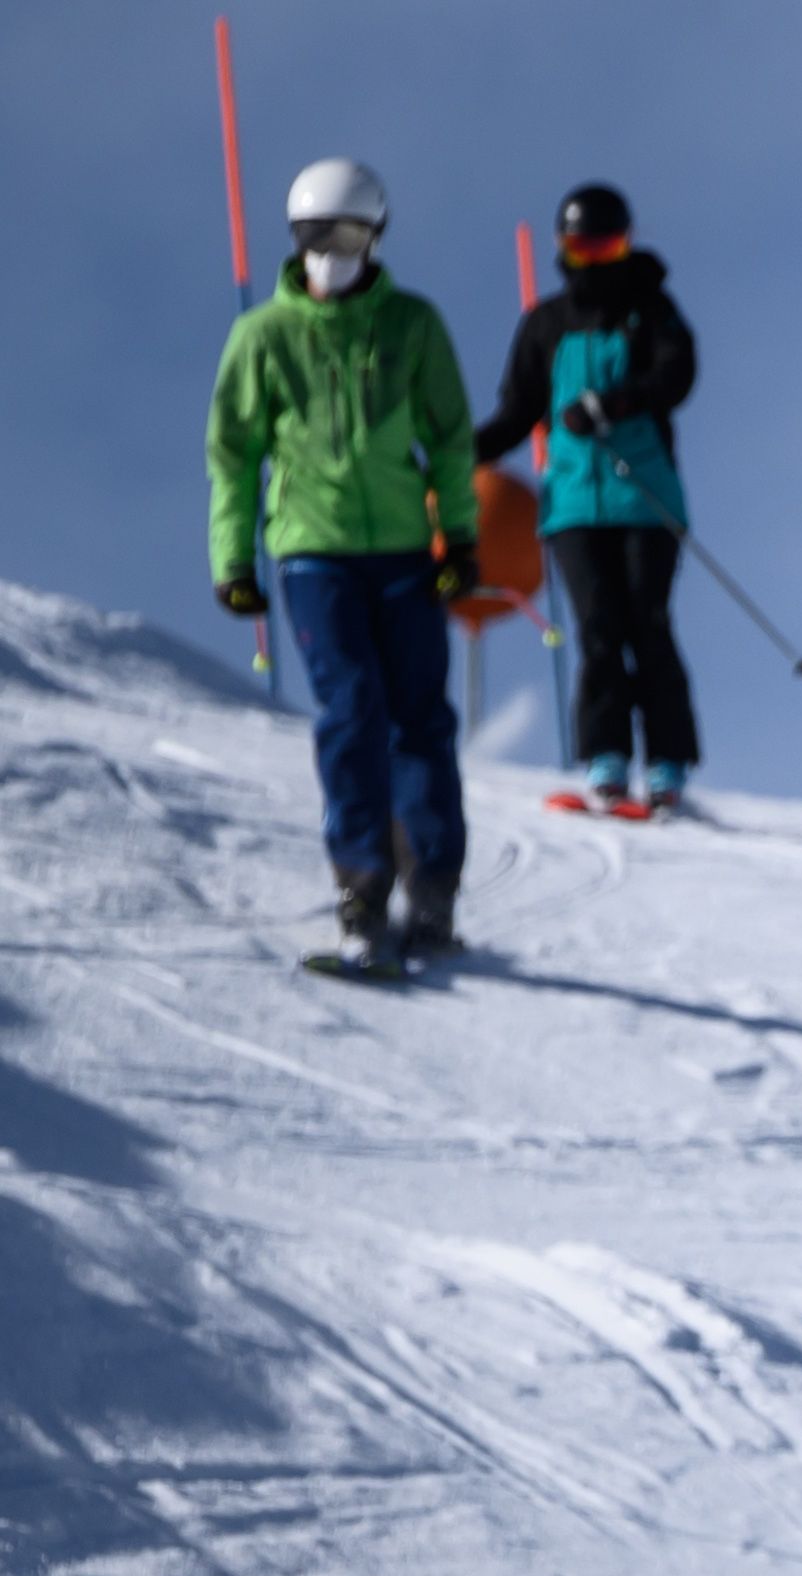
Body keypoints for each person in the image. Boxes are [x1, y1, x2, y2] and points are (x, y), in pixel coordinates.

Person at [205, 156, 478, 975]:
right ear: (297, 239)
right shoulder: (264, 336)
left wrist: (459, 540)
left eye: (350, 233)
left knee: (420, 718)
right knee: (352, 708)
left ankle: (432, 892)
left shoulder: (413, 326)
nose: (333, 250)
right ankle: (362, 888)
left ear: (376, 234)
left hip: (402, 550)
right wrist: (233, 556)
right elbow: (233, 452)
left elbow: (452, 435)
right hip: (312, 553)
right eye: (317, 236)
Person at [475, 181, 700, 816]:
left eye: (609, 246)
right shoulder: (545, 324)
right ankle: (606, 759)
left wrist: (617, 401)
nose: (596, 259)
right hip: (573, 505)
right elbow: (517, 411)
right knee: (598, 628)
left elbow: (676, 373)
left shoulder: (650, 308)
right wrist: (461, 452)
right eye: (584, 247)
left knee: (647, 624)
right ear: (563, 248)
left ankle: (668, 763)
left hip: (645, 499)